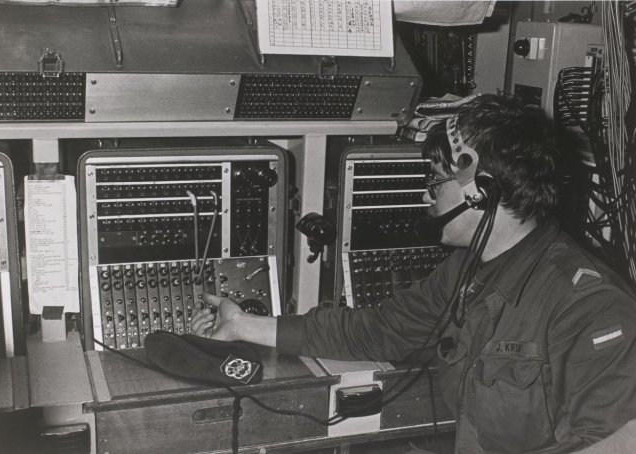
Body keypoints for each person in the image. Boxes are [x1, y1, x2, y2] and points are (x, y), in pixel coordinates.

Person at [191, 94, 636, 453]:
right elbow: (378, 330)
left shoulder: (589, 307)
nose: (428, 196)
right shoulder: (468, 270)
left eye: (436, 181)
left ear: (481, 191)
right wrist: (243, 325)